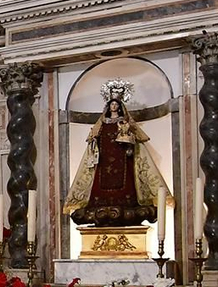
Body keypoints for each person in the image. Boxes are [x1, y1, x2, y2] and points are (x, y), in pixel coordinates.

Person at [63, 87, 168, 228]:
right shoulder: (102, 123)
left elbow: (133, 139)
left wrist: (128, 142)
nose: (114, 106)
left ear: (119, 107)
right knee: (101, 178)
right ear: (108, 106)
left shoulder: (124, 122)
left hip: (121, 158)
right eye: (112, 104)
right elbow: (93, 139)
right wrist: (94, 143)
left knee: (125, 179)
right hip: (104, 160)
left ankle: (126, 199)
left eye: (116, 104)